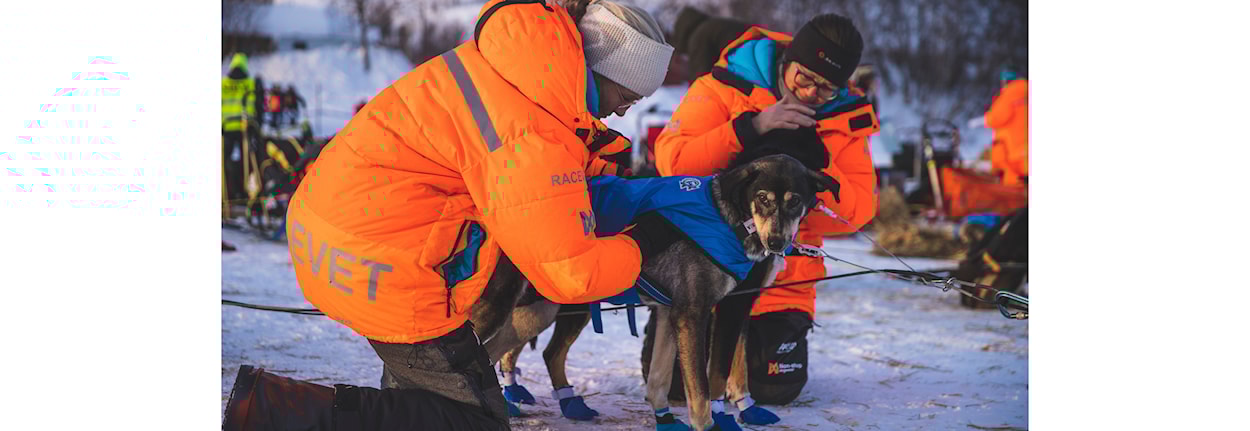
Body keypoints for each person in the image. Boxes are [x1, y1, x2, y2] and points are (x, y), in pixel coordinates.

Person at [221, 1, 674, 430]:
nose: (621, 111)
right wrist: (647, 240)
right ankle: (271, 411)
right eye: (625, 95)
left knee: (420, 404)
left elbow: (530, 158)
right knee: (473, 420)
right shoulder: (531, 124)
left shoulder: (518, 70)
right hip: (381, 262)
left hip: (342, 231)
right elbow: (569, 272)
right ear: (600, 69)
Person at [653, 13, 879, 411]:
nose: (810, 92)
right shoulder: (726, 85)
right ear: (787, 60)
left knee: (777, 390)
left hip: (782, 279)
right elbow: (674, 164)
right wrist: (749, 129)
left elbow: (859, 209)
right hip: (708, 266)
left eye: (826, 88)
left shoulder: (847, 118)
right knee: (680, 387)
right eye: (803, 78)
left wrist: (812, 170)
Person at [669, 6, 753, 82]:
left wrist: (693, 96)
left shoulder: (698, 37)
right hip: (758, 54)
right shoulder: (711, 25)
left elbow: (700, 78)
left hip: (750, 63)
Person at [221, 53, 261, 203]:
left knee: (224, 161)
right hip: (245, 128)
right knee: (247, 160)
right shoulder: (250, 83)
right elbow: (256, 106)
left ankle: (226, 193)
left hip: (226, 128)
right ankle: (245, 192)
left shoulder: (223, 84)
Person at [985, 68, 1028, 186]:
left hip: (1011, 150)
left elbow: (994, 119)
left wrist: (988, 115)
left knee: (1013, 188)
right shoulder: (1027, 91)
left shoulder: (1009, 94)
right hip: (1025, 147)